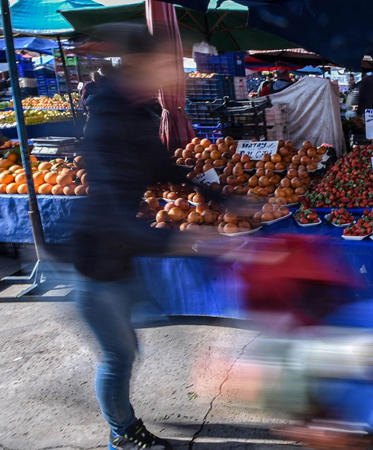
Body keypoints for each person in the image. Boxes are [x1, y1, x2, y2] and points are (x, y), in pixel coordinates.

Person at [72, 23, 213, 450]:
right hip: (98, 259)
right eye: (164, 66)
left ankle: (123, 426)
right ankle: (122, 434)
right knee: (117, 358)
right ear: (138, 65)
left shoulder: (134, 112)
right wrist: (184, 242)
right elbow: (115, 214)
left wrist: (220, 195)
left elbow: (162, 168)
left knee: (130, 348)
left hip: (119, 256)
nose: (171, 75)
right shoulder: (109, 121)